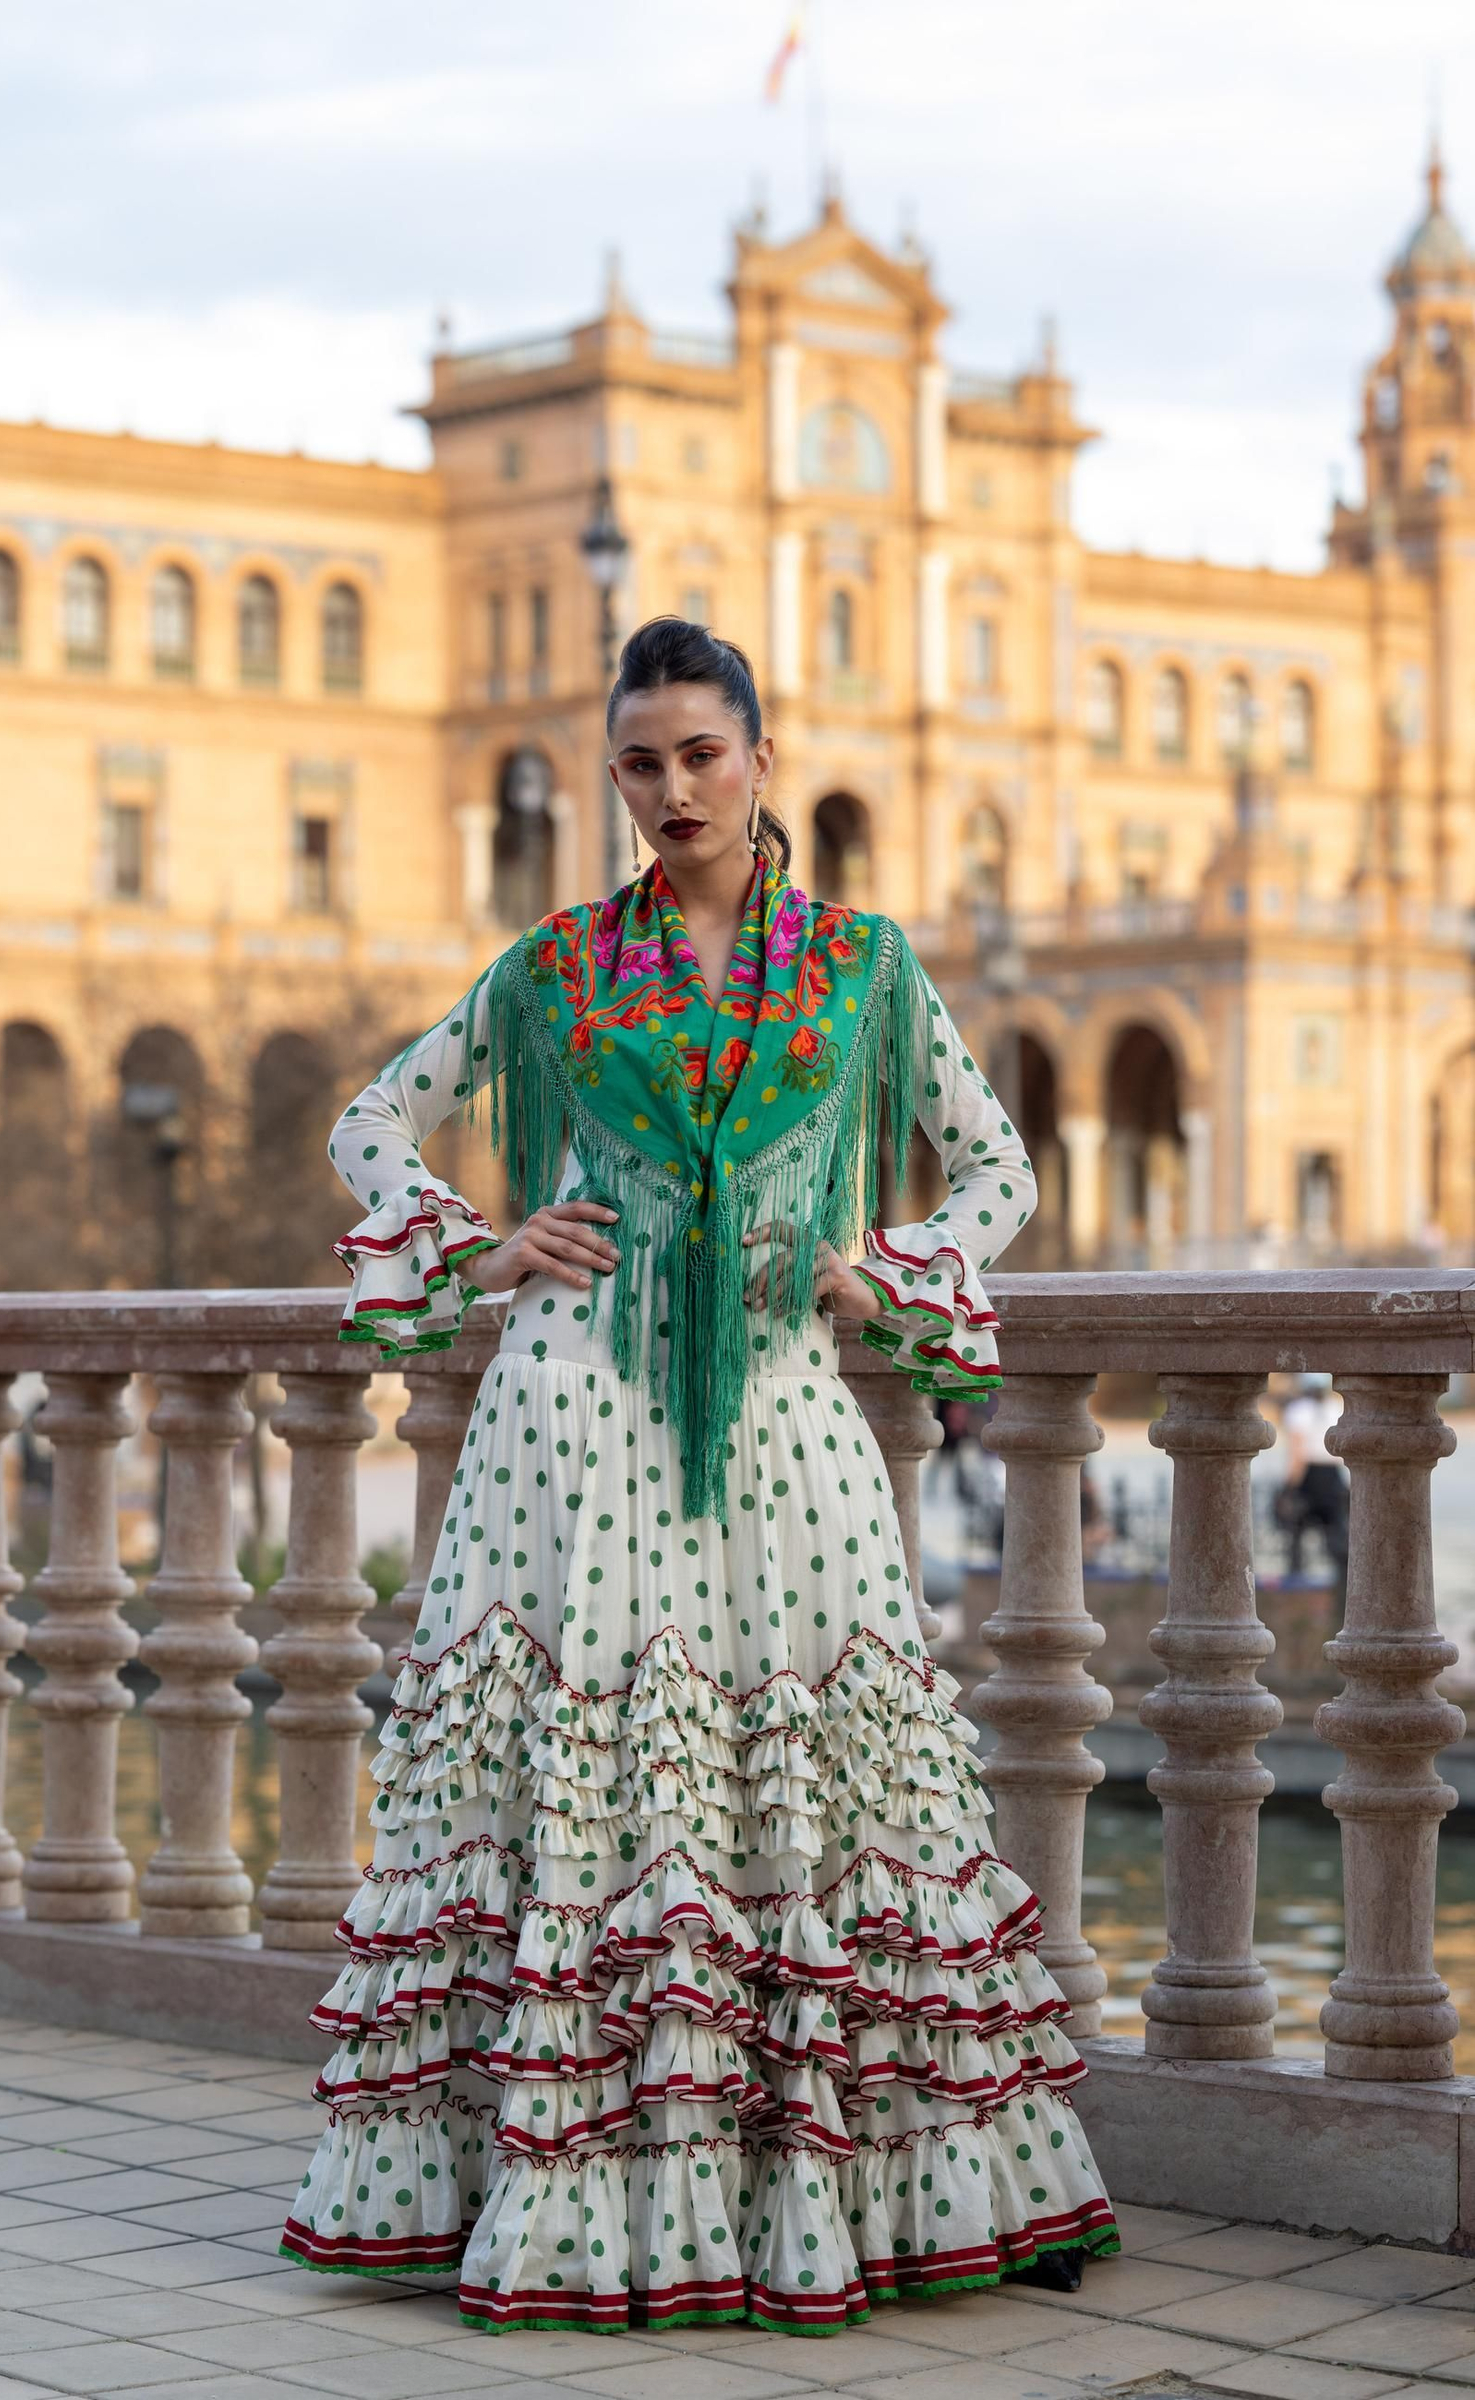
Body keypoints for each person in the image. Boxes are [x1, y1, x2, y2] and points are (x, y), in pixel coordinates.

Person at [281, 619, 1118, 2333]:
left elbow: (1000, 1164)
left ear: (759, 758)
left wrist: (881, 1272)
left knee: (800, 1791)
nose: (673, 788)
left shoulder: (867, 967)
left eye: (700, 754)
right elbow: (372, 1118)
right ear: (613, 776)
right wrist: (485, 1246)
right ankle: (568, 2196)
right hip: (569, 1431)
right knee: (591, 1789)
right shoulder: (557, 967)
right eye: (641, 761)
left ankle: (811, 2189)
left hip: (792, 1432)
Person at [1279, 1374, 1348, 1589]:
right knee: (1337, 1535)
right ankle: (1342, 1587)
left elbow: (1297, 1455)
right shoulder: (1337, 1407)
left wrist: (1288, 1488)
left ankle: (1295, 1585)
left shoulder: (1298, 1410)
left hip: (1310, 1477)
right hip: (1334, 1477)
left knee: (1295, 1532)